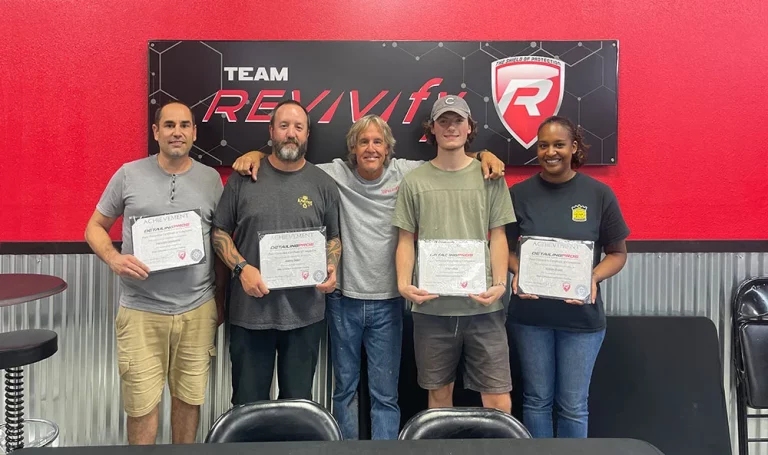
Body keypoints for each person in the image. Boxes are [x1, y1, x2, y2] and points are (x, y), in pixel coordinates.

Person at [231, 114, 506, 439]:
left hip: (389, 302)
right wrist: (257, 155)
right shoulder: (334, 174)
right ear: (353, 148)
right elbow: (290, 158)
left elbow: (448, 157)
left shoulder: (407, 172)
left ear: (388, 148)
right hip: (343, 300)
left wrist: (484, 156)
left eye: (377, 142)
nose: (371, 148)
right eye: (363, 142)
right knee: (344, 391)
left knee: (385, 396)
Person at [84, 101, 226, 444]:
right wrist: (114, 259)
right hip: (141, 312)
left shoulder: (211, 180)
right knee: (141, 406)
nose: (177, 132)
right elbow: (94, 227)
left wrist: (221, 302)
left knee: (189, 401)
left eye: (184, 125)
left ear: (194, 132)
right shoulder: (128, 174)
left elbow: (220, 243)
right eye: (169, 125)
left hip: (197, 310)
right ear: (156, 132)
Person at [506, 115, 629, 438]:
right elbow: (501, 249)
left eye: (559, 144)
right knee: (536, 401)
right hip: (530, 318)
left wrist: (592, 277)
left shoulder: (599, 194)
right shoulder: (519, 194)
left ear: (574, 147)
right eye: (543, 145)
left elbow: (617, 254)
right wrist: (519, 271)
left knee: (573, 405)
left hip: (582, 322)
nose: (550, 152)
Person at [212, 100, 341, 405]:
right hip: (250, 316)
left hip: (305, 316)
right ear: (271, 131)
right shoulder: (243, 179)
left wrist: (332, 267)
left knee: (297, 407)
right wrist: (242, 269)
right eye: (283, 126)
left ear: (307, 134)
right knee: (247, 406)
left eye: (298, 127)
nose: (291, 133)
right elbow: (219, 232)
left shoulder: (323, 184)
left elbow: (333, 238)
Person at [392, 95, 516, 413]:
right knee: (438, 398)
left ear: (469, 127)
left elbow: (499, 235)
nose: (451, 127)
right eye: (443, 121)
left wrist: (500, 283)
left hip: (483, 308)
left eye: (458, 120)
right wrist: (404, 284)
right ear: (431, 129)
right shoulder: (414, 182)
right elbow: (405, 239)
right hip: (432, 310)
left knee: (498, 399)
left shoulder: (490, 178)